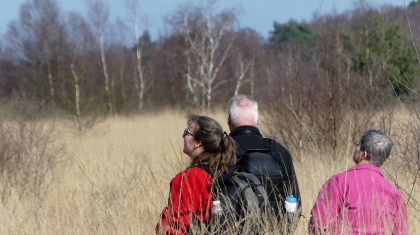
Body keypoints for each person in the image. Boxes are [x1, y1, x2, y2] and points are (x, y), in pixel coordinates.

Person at [308, 129, 408, 234]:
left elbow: (317, 225)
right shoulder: (395, 194)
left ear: (363, 154)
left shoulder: (338, 182)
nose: (355, 148)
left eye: (357, 145)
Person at [156, 114, 236, 235]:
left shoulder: (187, 178)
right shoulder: (228, 171)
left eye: (187, 132)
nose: (183, 136)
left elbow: (176, 227)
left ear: (198, 143)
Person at [227, 94, 301, 219]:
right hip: (276, 229)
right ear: (257, 119)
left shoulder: (219, 151)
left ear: (228, 119)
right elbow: (294, 200)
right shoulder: (280, 151)